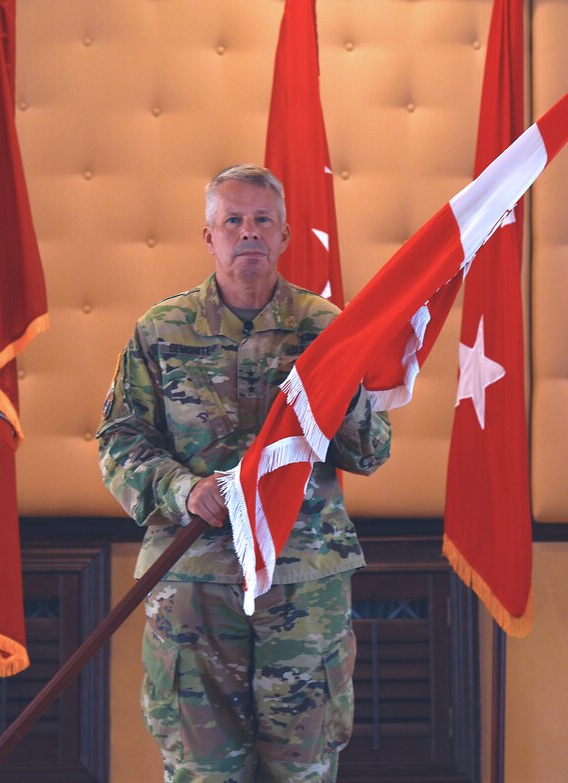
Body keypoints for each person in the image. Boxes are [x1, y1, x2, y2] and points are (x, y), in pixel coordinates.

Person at [97, 164, 391, 782]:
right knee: (203, 773)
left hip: (302, 583)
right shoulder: (161, 330)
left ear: (285, 235)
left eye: (262, 220)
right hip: (195, 584)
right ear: (209, 236)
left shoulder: (328, 329)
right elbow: (120, 441)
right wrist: (183, 489)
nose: (248, 233)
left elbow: (369, 453)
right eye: (233, 220)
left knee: (303, 770)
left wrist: (348, 378)